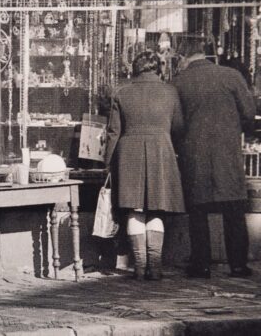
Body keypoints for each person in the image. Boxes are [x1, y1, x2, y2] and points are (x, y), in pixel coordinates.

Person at [173, 38, 256, 279]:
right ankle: (238, 264)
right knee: (234, 210)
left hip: (193, 154)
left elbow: (176, 124)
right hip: (227, 153)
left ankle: (201, 264)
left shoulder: (179, 83)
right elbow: (249, 113)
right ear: (205, 54)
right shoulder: (230, 76)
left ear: (183, 57)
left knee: (198, 212)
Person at [105, 50, 185, 281]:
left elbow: (113, 132)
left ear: (135, 69)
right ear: (157, 68)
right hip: (161, 151)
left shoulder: (122, 92)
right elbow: (179, 128)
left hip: (128, 153)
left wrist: (107, 163)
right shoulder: (170, 92)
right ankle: (156, 267)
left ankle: (139, 266)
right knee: (156, 208)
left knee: (134, 209)